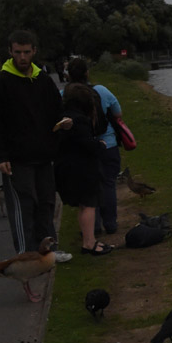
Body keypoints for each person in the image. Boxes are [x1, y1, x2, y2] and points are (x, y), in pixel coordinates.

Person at [0, 30, 72, 262]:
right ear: (10, 52)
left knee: (46, 203)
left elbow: (57, 109)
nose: (22, 56)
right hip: (16, 158)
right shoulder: (1, 82)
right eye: (18, 52)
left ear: (34, 51)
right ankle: (26, 254)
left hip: (44, 155)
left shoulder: (43, 80)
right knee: (23, 206)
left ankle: (49, 250)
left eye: (27, 52)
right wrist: (0, 156)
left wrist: (64, 122)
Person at [55, 82, 116, 255]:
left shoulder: (64, 116)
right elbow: (86, 143)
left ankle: (87, 240)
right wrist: (101, 145)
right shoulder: (79, 120)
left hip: (66, 167)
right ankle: (89, 243)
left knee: (83, 206)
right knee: (89, 205)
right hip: (82, 169)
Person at [66, 57, 122, 235]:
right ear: (87, 73)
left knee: (88, 188)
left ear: (68, 74)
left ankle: (94, 227)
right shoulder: (101, 90)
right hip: (108, 144)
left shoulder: (64, 95)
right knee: (108, 184)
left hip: (81, 148)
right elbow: (118, 112)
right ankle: (111, 223)